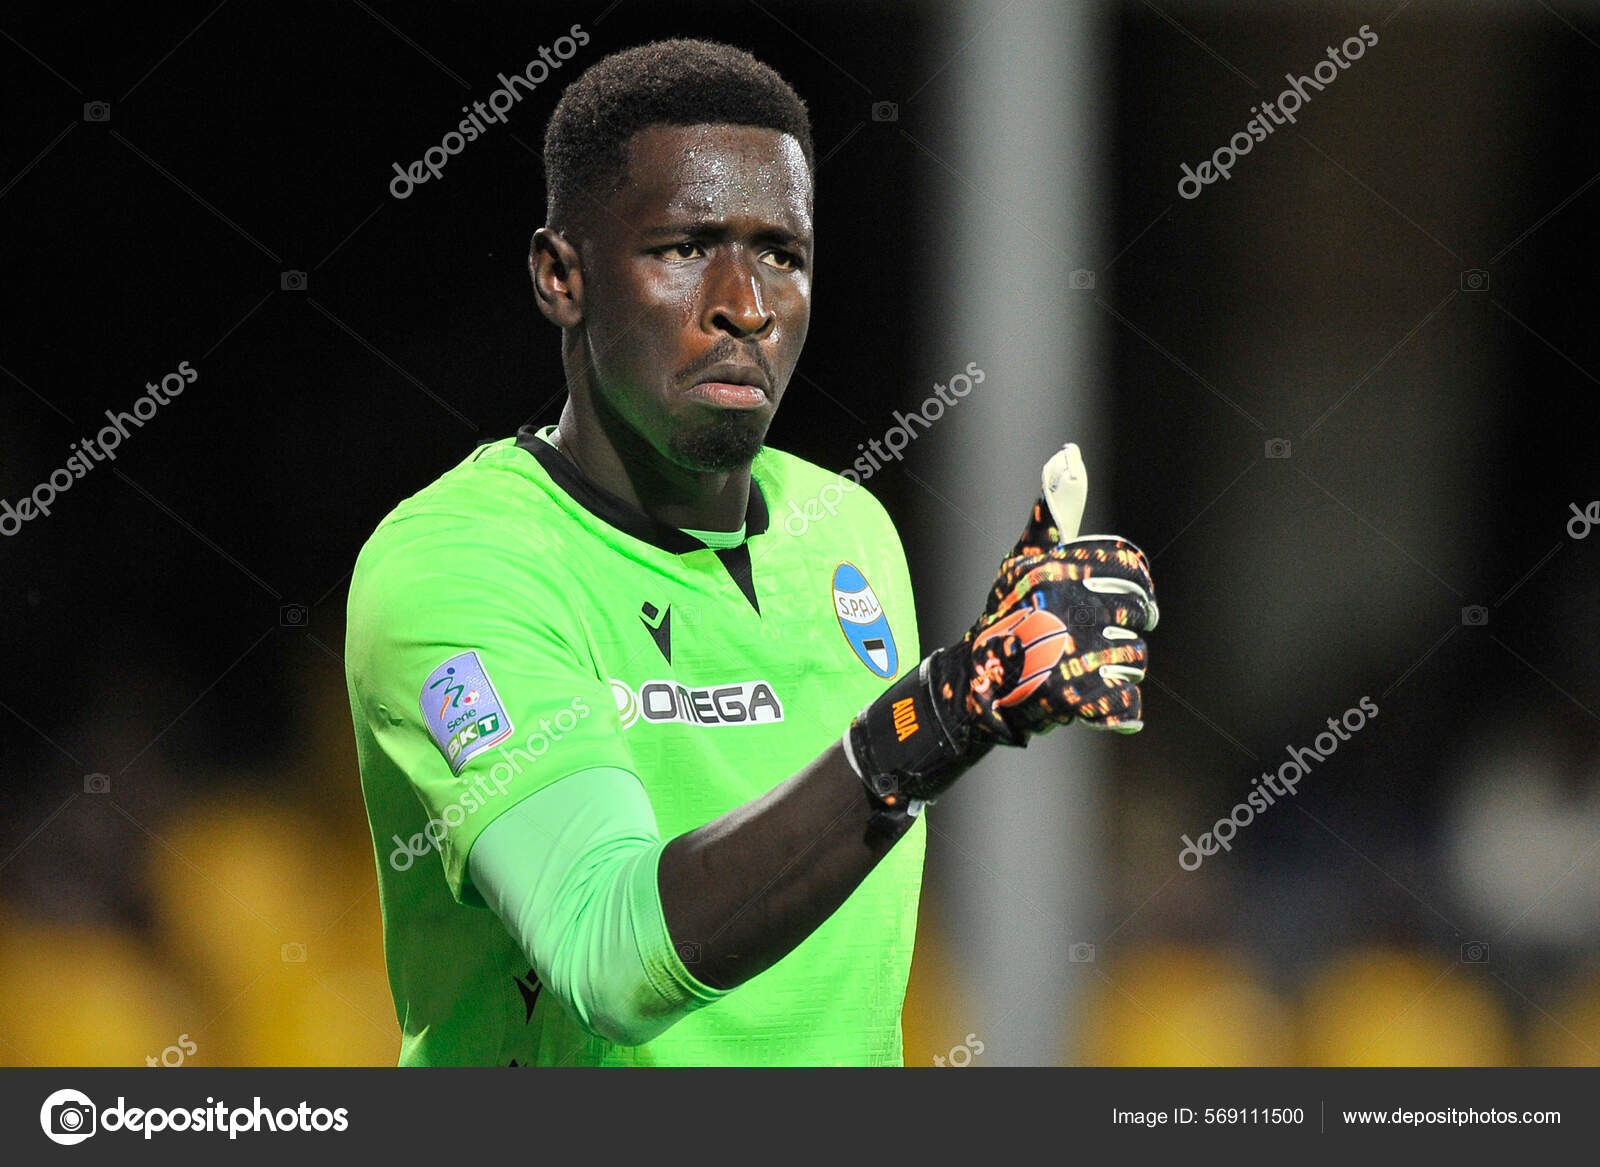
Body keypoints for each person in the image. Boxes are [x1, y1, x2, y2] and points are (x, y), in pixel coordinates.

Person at [344, 38, 1158, 1067]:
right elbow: (610, 956)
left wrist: (958, 706)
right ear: (561, 277)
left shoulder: (848, 536)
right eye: (684, 248)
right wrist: (940, 718)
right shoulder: (459, 564)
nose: (746, 303)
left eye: (782, 252)